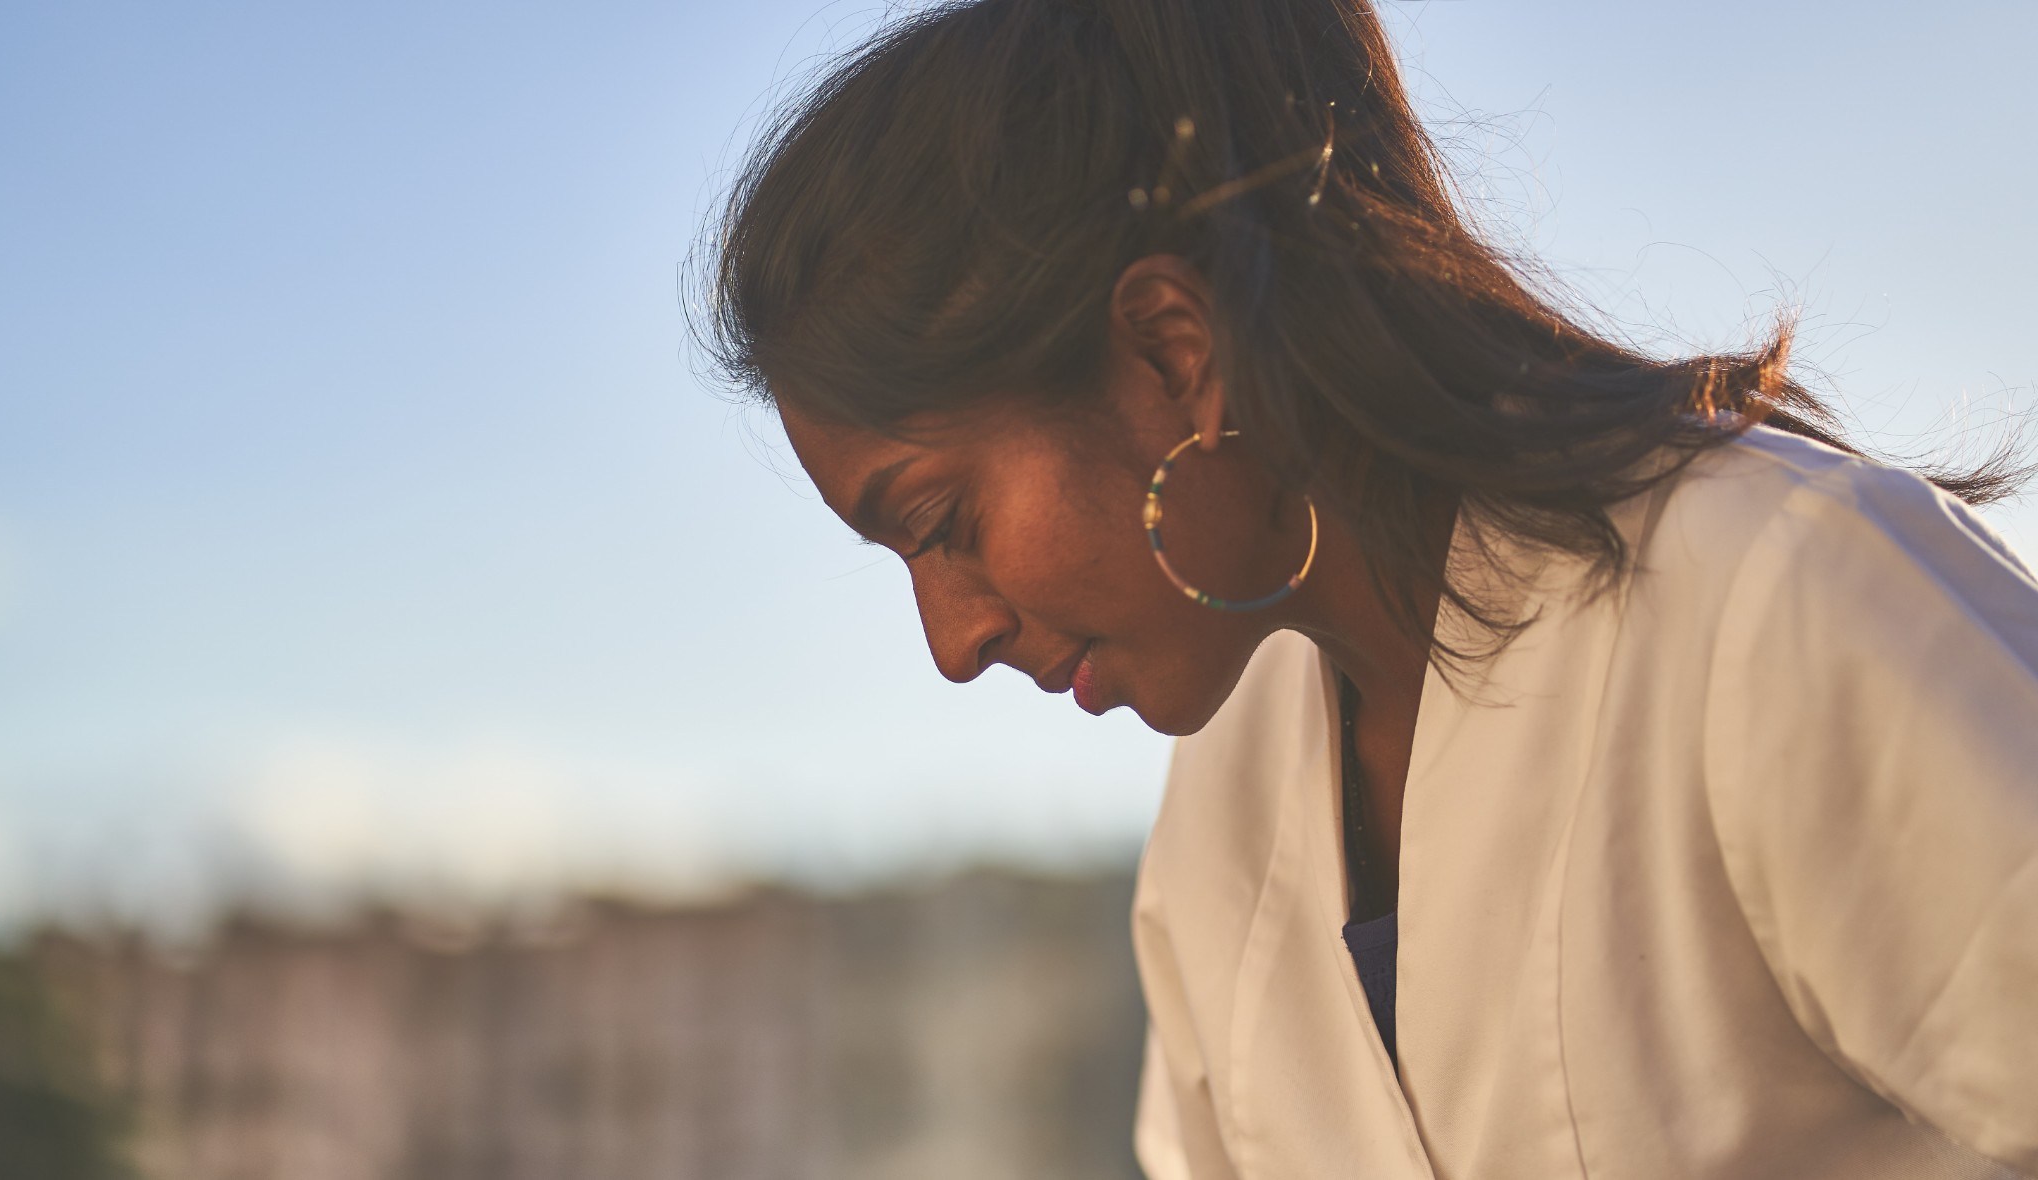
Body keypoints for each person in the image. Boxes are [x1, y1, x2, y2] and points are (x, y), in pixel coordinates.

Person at [695, 1, 2038, 1176]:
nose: (951, 639)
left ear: (1172, 354)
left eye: (942, 523)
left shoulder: (1772, 601)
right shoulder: (1224, 816)